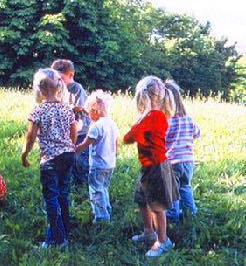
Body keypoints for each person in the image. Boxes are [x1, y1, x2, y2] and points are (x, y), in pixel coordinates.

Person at [21, 68, 78, 249]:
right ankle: (62, 233)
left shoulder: (38, 111)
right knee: (63, 194)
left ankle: (59, 240)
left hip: (50, 160)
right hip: (68, 156)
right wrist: (69, 146)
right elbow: (74, 131)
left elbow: (30, 136)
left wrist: (25, 153)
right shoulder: (67, 109)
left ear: (41, 89)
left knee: (51, 198)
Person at [123, 76, 178, 257]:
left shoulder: (153, 116)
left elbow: (128, 138)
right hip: (149, 166)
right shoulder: (153, 116)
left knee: (156, 205)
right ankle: (149, 232)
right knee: (142, 199)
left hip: (156, 167)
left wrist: (136, 126)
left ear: (143, 96)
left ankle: (163, 241)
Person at [75, 90, 119, 223]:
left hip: (98, 164)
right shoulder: (112, 123)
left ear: (95, 110)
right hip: (110, 163)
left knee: (95, 189)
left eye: (89, 112)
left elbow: (85, 144)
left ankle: (101, 217)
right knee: (103, 187)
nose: (88, 115)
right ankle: (107, 209)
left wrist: (74, 149)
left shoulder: (96, 126)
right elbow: (116, 144)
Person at [164, 80, 200, 222]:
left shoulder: (166, 121)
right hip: (188, 161)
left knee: (172, 189)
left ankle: (173, 214)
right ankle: (191, 212)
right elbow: (197, 133)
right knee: (185, 186)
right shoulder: (188, 119)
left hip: (172, 161)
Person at [51, 59, 91, 185]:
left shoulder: (77, 89)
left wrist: (66, 108)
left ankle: (83, 183)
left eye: (61, 78)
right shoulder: (57, 90)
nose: (59, 81)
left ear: (71, 75)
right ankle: (70, 181)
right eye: (56, 78)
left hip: (81, 130)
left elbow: (80, 108)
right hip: (67, 131)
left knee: (80, 158)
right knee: (67, 157)